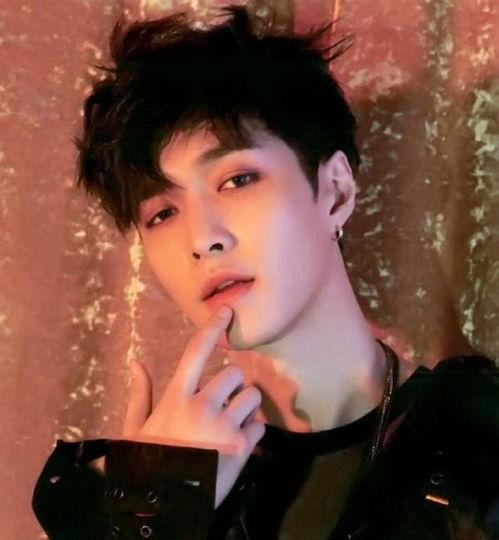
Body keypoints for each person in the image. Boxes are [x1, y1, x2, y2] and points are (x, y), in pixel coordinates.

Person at [32, 5, 499, 539]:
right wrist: (152, 510)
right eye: (162, 213)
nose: (202, 239)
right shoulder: (111, 494)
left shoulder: (474, 445)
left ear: (335, 190)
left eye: (236, 180)